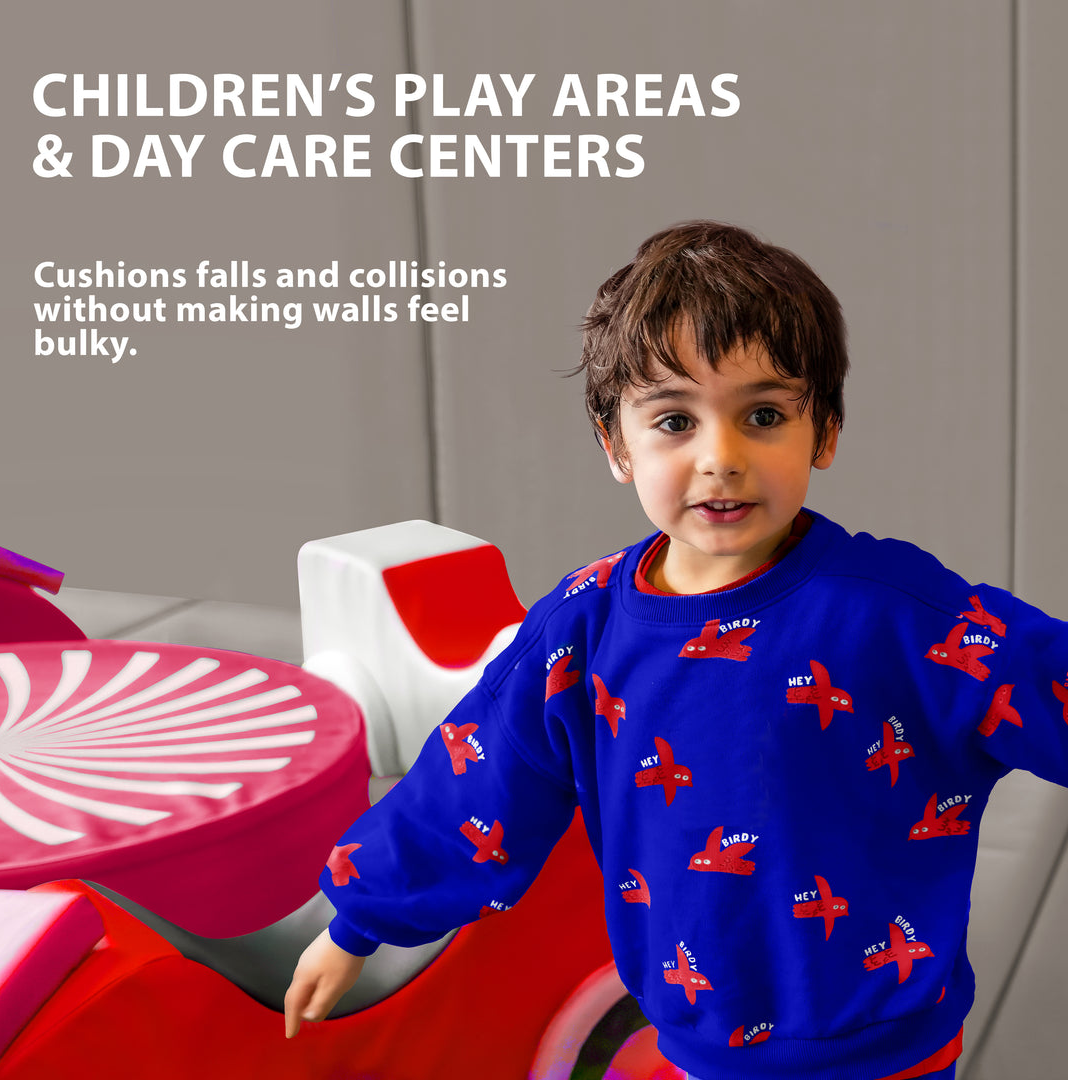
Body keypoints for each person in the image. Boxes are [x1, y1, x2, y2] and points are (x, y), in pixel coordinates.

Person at [284, 221, 1067, 1079]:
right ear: (617, 444)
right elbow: (475, 781)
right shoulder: (581, 628)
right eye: (674, 420)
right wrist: (357, 923)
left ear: (826, 432)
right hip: (699, 1038)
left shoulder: (899, 614)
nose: (720, 458)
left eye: (763, 416)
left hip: (884, 1047)